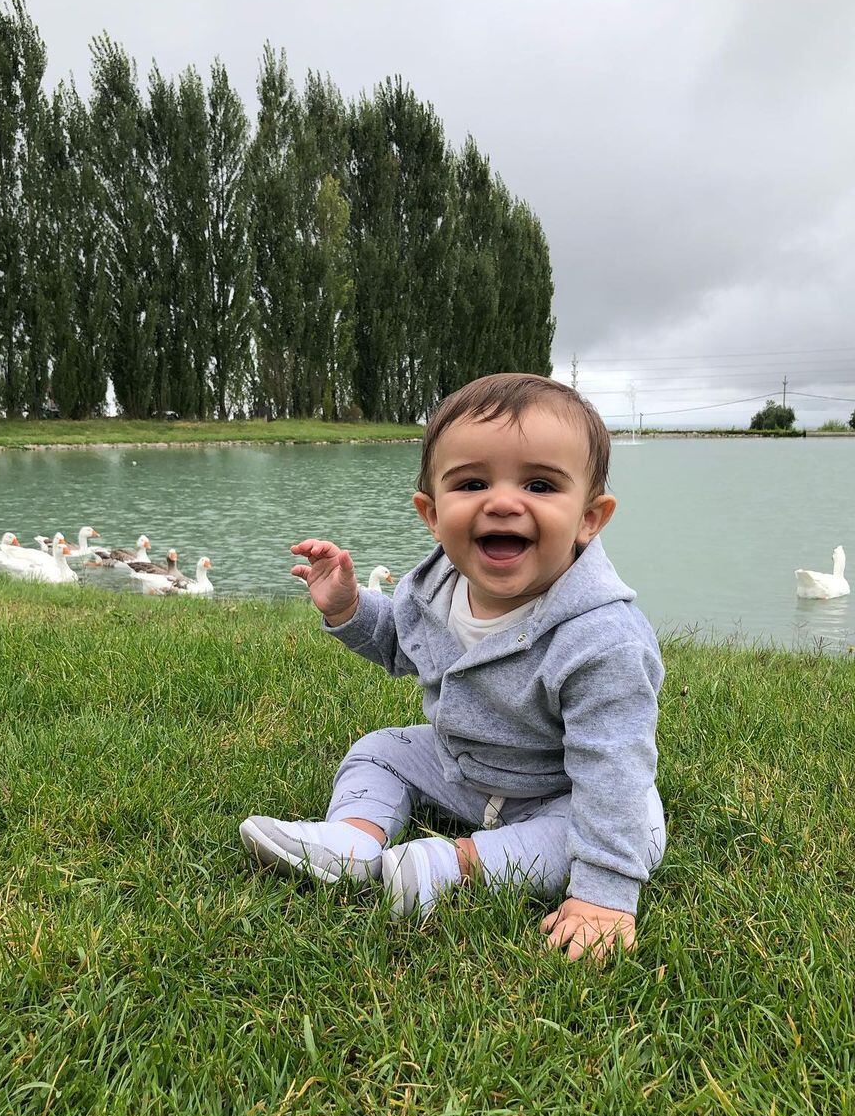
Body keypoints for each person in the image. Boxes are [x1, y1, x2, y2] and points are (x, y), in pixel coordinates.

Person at [239, 373, 666, 960]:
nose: (503, 501)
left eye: (540, 483)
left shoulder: (602, 638)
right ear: (433, 513)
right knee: (379, 749)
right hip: (462, 771)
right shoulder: (434, 588)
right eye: (471, 483)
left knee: (631, 824)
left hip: (561, 791)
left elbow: (612, 762)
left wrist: (603, 898)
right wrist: (349, 608)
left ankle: (450, 867)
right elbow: (400, 644)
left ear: (590, 518)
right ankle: (354, 840)